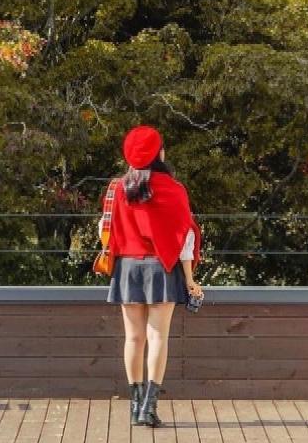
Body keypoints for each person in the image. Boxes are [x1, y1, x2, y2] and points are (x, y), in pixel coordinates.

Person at [103, 125, 203, 428]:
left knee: (133, 337)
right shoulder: (174, 189)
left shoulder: (117, 188)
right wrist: (190, 280)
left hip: (127, 267)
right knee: (158, 336)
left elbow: (105, 232)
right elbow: (184, 237)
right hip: (163, 268)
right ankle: (149, 406)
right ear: (160, 153)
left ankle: (134, 405)